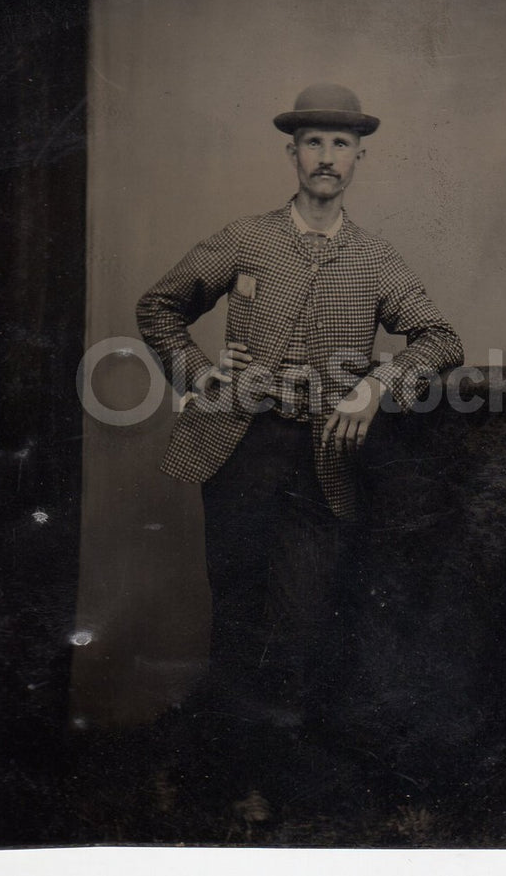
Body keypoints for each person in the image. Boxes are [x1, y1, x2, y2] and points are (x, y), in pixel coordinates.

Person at [136, 83, 463, 814]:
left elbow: (441, 339)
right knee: (238, 611)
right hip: (239, 453)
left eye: (340, 145)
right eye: (313, 142)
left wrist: (377, 385)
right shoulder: (247, 239)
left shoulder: (376, 258)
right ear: (292, 153)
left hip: (323, 462)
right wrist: (195, 372)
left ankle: (277, 782)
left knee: (302, 618)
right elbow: (159, 305)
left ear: (359, 159)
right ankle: (224, 779)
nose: (326, 158)